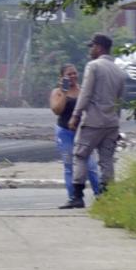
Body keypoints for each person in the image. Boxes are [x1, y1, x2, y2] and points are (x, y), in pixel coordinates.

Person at [67, 33, 124, 204]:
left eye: (92, 46)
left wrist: (75, 115)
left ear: (99, 47)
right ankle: (106, 196)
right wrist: (117, 123)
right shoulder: (120, 71)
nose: (90, 50)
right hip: (111, 123)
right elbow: (120, 101)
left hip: (92, 121)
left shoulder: (94, 66)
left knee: (80, 155)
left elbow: (85, 93)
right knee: (106, 160)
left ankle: (77, 196)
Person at [50, 62, 101, 206]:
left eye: (74, 73)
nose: (72, 76)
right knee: (69, 166)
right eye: (68, 74)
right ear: (61, 77)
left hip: (83, 132)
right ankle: (74, 198)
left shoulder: (84, 90)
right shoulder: (57, 92)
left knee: (91, 166)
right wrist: (65, 93)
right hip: (65, 132)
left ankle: (100, 195)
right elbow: (57, 110)